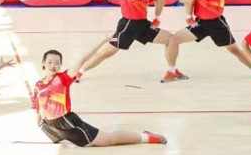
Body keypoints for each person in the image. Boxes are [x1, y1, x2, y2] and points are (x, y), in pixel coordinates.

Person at [33, 42, 167, 147]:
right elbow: (37, 107)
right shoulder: (38, 85)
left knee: (108, 140)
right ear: (43, 64)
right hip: (50, 125)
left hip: (67, 122)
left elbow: (82, 60)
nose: (53, 65)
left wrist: (102, 41)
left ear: (60, 65)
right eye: (50, 62)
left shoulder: (63, 78)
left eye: (57, 63)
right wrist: (39, 123)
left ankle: (145, 136)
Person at [81, 0, 172, 75]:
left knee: (170, 39)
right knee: (105, 53)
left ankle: (172, 71)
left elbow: (158, 0)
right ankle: (80, 72)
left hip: (143, 25)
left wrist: (159, 13)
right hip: (127, 26)